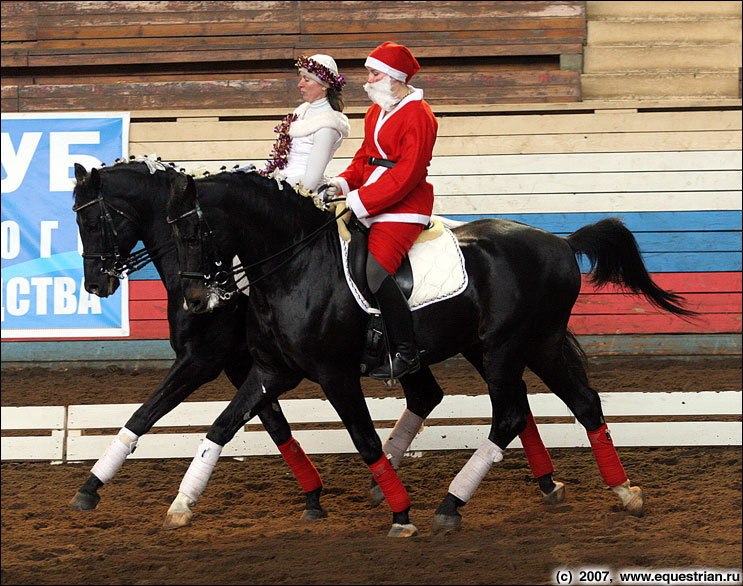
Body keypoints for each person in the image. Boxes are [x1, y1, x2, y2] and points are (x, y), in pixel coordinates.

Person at [324, 42, 438, 381]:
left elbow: (407, 175)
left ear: (394, 77)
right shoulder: (376, 110)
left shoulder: (421, 115)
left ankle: (406, 351)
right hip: (368, 198)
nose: (367, 80)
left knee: (375, 272)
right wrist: (341, 185)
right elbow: (364, 158)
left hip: (403, 208)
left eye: (374, 73)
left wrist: (360, 201)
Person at [260, 54, 350, 192]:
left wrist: (272, 193)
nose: (300, 84)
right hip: (281, 184)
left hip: (300, 196)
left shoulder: (327, 126)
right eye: (301, 78)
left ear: (324, 85)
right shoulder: (302, 112)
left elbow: (309, 183)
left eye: (307, 80)